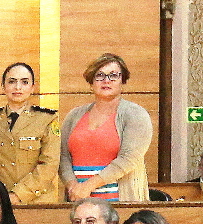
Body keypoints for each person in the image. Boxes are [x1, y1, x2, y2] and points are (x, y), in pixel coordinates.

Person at [60, 53, 153, 205]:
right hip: (78, 204)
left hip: (120, 204)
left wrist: (88, 186)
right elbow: (63, 156)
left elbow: (129, 159)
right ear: (91, 82)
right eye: (100, 75)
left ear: (123, 81)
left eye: (113, 75)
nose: (106, 80)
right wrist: (73, 186)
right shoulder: (74, 115)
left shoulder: (136, 114)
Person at [0, 63, 62, 206]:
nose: (18, 87)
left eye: (24, 82)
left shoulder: (47, 119)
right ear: (3, 86)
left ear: (32, 87)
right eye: (12, 82)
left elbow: (49, 164)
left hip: (37, 203)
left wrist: (18, 194)